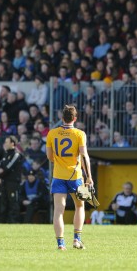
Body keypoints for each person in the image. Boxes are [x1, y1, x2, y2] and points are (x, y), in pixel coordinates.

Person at [46, 105, 94, 250]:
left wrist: (61, 162)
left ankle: (61, 244)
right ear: (75, 118)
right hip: (76, 176)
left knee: (58, 210)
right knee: (80, 206)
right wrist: (89, 177)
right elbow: (84, 156)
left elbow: (50, 157)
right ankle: (77, 240)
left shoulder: (52, 133)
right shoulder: (80, 134)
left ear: (62, 118)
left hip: (58, 176)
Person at [0, 136, 23, 223]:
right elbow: (0, 165)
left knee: (13, 202)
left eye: (7, 142)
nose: (5, 144)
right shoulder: (5, 154)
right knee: (4, 201)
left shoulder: (16, 154)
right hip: (5, 181)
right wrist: (0, 173)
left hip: (13, 182)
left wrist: (1, 173)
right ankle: (3, 221)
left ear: (12, 144)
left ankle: (14, 221)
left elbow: (8, 167)